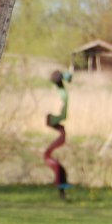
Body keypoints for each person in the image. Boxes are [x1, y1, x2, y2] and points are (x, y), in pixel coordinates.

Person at [43, 69, 72, 198]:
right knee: (50, 159)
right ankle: (61, 189)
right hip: (57, 125)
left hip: (57, 124)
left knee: (51, 160)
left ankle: (61, 189)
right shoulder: (62, 94)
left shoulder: (60, 94)